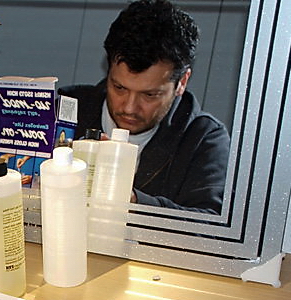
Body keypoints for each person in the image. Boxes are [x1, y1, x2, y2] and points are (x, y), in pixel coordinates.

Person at [59, 0, 230, 214]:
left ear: (182, 82)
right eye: (119, 88)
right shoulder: (64, 111)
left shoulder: (203, 139)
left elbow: (210, 222)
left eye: (149, 95)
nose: (130, 108)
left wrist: (132, 200)